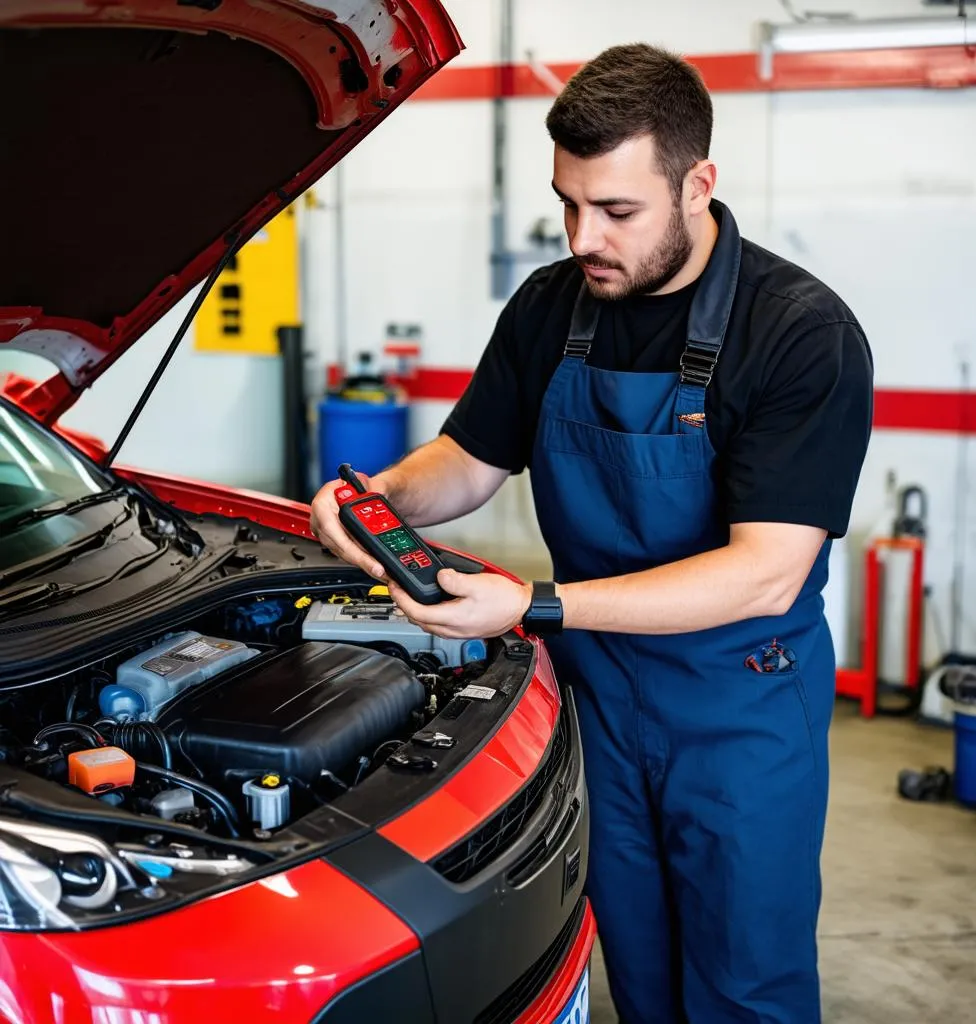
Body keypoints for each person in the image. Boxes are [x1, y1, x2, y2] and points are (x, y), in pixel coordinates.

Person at [311, 43, 873, 1024]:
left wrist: (533, 601)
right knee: (637, 968)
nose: (582, 235)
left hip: (738, 711)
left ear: (697, 183)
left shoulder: (798, 333)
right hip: (597, 702)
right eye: (568, 203)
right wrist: (380, 497)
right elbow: (473, 458)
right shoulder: (549, 308)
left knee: (744, 979)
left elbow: (765, 575)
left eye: (615, 210)